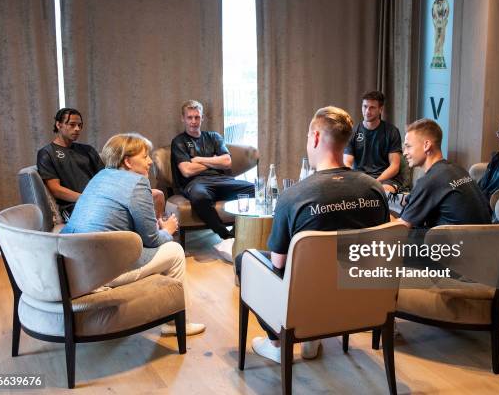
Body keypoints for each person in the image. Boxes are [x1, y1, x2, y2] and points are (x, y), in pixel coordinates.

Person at [235, 106, 390, 364]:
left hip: (309, 302)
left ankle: (277, 343)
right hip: (363, 300)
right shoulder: (375, 190)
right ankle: (312, 338)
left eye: (308, 137)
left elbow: (279, 264)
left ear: (316, 137)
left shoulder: (294, 197)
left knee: (246, 259)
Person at [61, 133, 205, 336]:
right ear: (127, 161)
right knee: (174, 250)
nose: (149, 161)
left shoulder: (99, 177)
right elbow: (152, 240)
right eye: (145, 156)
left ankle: (160, 307)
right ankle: (176, 323)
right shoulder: (137, 183)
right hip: (103, 275)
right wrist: (167, 230)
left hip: (75, 270)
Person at [37, 108, 165, 220]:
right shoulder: (47, 153)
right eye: (72, 124)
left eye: (80, 125)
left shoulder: (87, 150)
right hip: (74, 206)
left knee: (157, 195)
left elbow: (107, 175)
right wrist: (86, 197)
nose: (77, 129)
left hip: (101, 198)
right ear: (58, 125)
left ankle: (157, 232)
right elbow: (56, 190)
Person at [170, 100, 253, 243]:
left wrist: (198, 159)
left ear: (202, 118)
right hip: (195, 183)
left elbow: (227, 162)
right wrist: (214, 161)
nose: (193, 121)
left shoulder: (214, 137)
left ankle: (238, 231)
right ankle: (225, 235)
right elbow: (187, 171)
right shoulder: (179, 141)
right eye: (189, 117)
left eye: (197, 117)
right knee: (199, 197)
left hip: (221, 181)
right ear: (183, 118)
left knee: (253, 189)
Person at [398, 119, 491, 229]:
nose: (404, 152)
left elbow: (402, 226)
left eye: (408, 146)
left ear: (426, 145)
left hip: (458, 245)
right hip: (485, 241)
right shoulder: (458, 169)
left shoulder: (431, 180)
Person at [344, 91, 403, 193]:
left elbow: (395, 166)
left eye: (372, 107)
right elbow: (347, 163)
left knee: (382, 191)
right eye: (365, 106)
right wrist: (354, 180)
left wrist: (376, 182)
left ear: (380, 109)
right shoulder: (353, 131)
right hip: (360, 178)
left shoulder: (392, 131)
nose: (367, 111)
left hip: (384, 179)